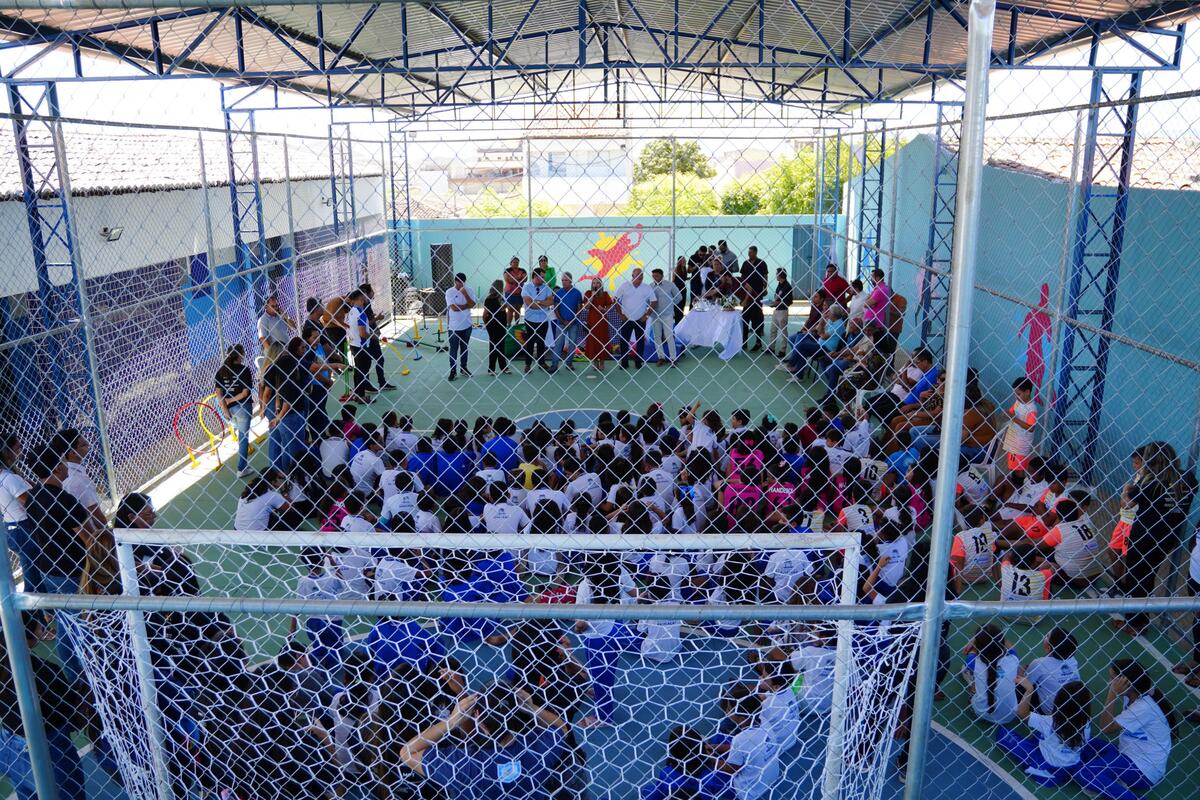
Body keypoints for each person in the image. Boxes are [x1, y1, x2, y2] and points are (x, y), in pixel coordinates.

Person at [398, 684, 568, 799]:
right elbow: (561, 728)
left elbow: (407, 753)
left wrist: (452, 721)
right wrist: (531, 708)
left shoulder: (464, 765)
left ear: (478, 719)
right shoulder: (538, 750)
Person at [1114, 442, 1196, 635]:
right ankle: (1140, 618)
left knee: (1136, 578)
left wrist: (1126, 489)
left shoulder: (1150, 481)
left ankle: (1134, 622)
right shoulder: (1187, 478)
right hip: (1167, 537)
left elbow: (1126, 505)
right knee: (1149, 576)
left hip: (1143, 537)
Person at [1075, 660, 1175, 800]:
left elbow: (1106, 728)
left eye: (1113, 679)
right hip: (1126, 753)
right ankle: (1111, 779)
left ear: (1126, 682)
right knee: (1079, 740)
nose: (1110, 682)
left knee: (1085, 773)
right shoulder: (1134, 694)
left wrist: (1112, 693)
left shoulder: (1143, 707)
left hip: (1142, 769)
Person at [995, 679, 1092, 788]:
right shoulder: (1087, 723)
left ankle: (1039, 770)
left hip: (1046, 766)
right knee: (1041, 736)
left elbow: (1022, 713)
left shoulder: (1049, 722)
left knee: (1003, 733)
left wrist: (1029, 690)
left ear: (1059, 702)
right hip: (1071, 764)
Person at [260, 337, 309, 473]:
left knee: (281, 441)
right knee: (280, 440)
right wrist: (266, 409)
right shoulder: (279, 370)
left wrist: (265, 408)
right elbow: (268, 393)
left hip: (276, 406)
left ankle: (278, 469)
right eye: (284, 351)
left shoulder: (269, 368)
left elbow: (264, 391)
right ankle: (279, 469)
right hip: (277, 407)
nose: (287, 353)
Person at [0, 433, 36, 592]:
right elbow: (31, 503)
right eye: (18, 448)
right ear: (7, 452)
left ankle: (33, 601)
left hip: (12, 526)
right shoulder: (10, 478)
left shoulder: (6, 476)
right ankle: (34, 602)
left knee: (30, 567)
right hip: (24, 526)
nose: (21, 452)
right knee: (34, 572)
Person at [963, 623, 1019, 724]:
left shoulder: (973, 661)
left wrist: (974, 641)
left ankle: (973, 691)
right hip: (1010, 715)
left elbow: (970, 652)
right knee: (999, 677)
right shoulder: (1013, 659)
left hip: (981, 713)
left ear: (978, 646)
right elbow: (1008, 645)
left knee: (965, 670)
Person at [214, 344, 255, 476]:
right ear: (239, 355)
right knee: (243, 437)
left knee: (240, 435)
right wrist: (230, 401)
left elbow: (219, 394)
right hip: (243, 407)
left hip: (231, 410)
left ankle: (243, 466)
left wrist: (225, 408)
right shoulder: (244, 370)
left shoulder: (221, 372)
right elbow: (245, 393)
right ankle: (241, 468)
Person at [613, 268, 656, 369]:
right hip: (626, 319)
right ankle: (624, 363)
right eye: (638, 276)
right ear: (632, 276)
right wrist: (620, 314)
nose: (640, 278)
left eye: (642, 276)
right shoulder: (624, 286)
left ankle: (638, 362)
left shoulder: (647, 287)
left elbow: (654, 301)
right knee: (624, 341)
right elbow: (615, 299)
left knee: (640, 341)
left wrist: (646, 315)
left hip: (640, 319)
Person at [359, 283, 396, 391]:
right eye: (371, 290)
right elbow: (365, 324)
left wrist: (375, 322)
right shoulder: (362, 307)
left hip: (372, 334)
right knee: (370, 361)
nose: (373, 292)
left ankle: (381, 382)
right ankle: (369, 384)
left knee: (377, 359)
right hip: (369, 336)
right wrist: (377, 318)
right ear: (366, 293)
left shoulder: (367, 304)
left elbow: (369, 320)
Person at [343, 289, 376, 401]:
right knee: (363, 370)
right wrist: (372, 336)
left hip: (353, 344)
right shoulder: (361, 313)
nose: (364, 300)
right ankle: (361, 395)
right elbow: (362, 333)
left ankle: (357, 393)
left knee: (358, 370)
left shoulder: (351, 312)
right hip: (361, 346)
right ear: (359, 299)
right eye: (363, 299)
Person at [521, 267, 555, 373]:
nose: (544, 280)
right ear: (535, 276)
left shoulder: (546, 287)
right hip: (530, 319)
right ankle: (527, 364)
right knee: (530, 343)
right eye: (542, 277)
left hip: (543, 320)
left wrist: (538, 302)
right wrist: (543, 303)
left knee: (541, 342)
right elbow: (530, 304)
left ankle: (542, 363)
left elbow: (550, 301)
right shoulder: (526, 287)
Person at [445, 272, 476, 382]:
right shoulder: (449, 292)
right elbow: (454, 308)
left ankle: (464, 368)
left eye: (463, 283)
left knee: (464, 348)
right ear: (455, 281)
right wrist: (466, 306)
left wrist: (465, 294)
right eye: (459, 283)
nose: (461, 285)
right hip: (454, 327)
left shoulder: (469, 290)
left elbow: (473, 305)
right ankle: (453, 371)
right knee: (453, 349)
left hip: (467, 325)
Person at [1002, 377, 1038, 473]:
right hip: (1013, 442)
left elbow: (1031, 428)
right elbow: (1012, 412)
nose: (1016, 396)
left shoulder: (1032, 409)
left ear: (1027, 392)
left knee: (1018, 470)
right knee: (1013, 469)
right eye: (1014, 394)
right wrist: (1007, 414)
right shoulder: (1018, 402)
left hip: (1020, 446)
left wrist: (1013, 418)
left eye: (1018, 394)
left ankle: (1018, 482)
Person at [648, 267, 680, 366]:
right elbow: (647, 300)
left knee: (669, 336)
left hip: (667, 315)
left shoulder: (670, 285)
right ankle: (661, 357)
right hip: (654, 315)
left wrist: (670, 306)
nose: (655, 278)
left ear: (662, 276)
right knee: (657, 337)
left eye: (657, 276)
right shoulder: (650, 286)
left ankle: (673, 358)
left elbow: (679, 297)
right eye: (653, 276)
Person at [553, 271, 584, 371]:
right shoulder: (558, 293)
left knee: (572, 344)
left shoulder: (577, 293)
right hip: (561, 323)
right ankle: (554, 365)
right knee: (558, 344)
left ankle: (569, 363)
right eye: (562, 280)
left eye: (566, 280)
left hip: (573, 323)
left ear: (570, 281)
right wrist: (563, 321)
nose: (563, 282)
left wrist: (572, 320)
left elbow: (579, 309)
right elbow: (556, 309)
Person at [582, 277, 614, 372]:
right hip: (592, 321)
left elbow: (609, 306)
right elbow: (587, 307)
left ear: (601, 284)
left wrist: (604, 309)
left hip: (602, 321)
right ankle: (595, 362)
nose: (595, 285)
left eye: (597, 283)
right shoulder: (588, 293)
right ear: (592, 284)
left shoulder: (605, 294)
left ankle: (602, 362)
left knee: (602, 340)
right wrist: (592, 296)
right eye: (594, 283)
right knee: (593, 341)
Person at [740, 246, 768, 352]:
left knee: (757, 319)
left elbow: (765, 276)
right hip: (747, 294)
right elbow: (742, 278)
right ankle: (744, 342)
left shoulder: (761, 263)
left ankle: (758, 342)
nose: (749, 254)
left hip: (757, 294)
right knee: (745, 318)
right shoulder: (745, 263)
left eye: (751, 252)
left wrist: (765, 287)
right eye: (748, 252)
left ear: (756, 252)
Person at [257, 293, 295, 371]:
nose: (276, 308)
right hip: (276, 354)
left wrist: (285, 316)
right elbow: (263, 338)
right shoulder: (263, 320)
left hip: (286, 350)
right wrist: (272, 354)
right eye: (273, 306)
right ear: (266, 307)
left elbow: (293, 327)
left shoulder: (280, 316)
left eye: (277, 306)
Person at [482, 279, 511, 376]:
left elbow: (485, 315)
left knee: (498, 346)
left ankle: (498, 368)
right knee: (496, 346)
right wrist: (487, 323)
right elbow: (485, 314)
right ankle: (495, 368)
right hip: (495, 324)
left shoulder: (500, 298)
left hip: (497, 324)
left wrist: (486, 323)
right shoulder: (492, 299)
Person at [766, 268, 792, 357]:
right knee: (773, 330)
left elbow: (789, 301)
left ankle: (782, 350)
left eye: (777, 274)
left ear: (781, 275)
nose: (776, 276)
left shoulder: (787, 287)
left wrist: (778, 303)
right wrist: (773, 303)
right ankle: (771, 348)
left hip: (783, 311)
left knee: (783, 331)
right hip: (777, 310)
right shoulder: (779, 285)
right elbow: (777, 297)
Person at [503, 256, 527, 325]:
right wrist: (519, 278)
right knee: (510, 309)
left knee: (518, 309)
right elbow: (508, 280)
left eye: (517, 262)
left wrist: (513, 278)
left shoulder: (522, 270)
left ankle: (516, 324)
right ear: (511, 263)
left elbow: (525, 279)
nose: (516, 263)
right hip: (510, 293)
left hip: (519, 293)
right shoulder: (507, 270)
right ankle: (509, 325)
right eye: (514, 262)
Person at [671, 256, 689, 324]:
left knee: (683, 304)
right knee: (678, 305)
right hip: (677, 289)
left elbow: (684, 278)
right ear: (679, 262)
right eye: (682, 260)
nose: (684, 261)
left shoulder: (684, 268)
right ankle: (677, 320)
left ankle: (681, 319)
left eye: (684, 260)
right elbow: (673, 280)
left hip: (683, 288)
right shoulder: (676, 269)